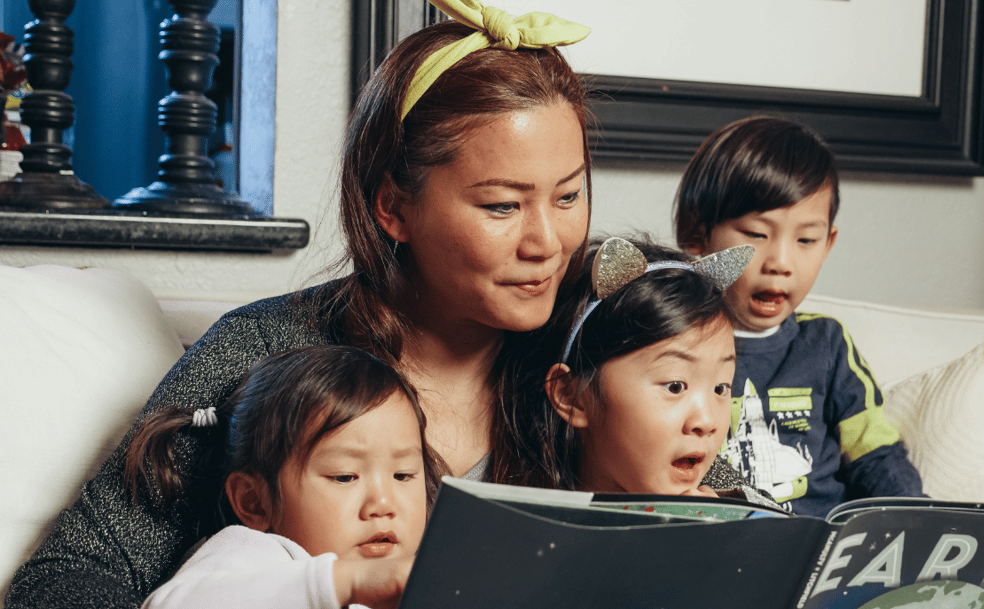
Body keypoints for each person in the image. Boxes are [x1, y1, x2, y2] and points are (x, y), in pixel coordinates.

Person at [5, 1, 593, 607]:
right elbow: (63, 580)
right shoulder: (264, 353)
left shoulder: (599, 353)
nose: (548, 243)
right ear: (392, 207)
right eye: (502, 206)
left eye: (569, 195)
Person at [673, 116, 924, 517]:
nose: (781, 263)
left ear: (828, 244)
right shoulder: (674, 342)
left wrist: (916, 517)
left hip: (822, 543)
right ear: (697, 234)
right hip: (726, 539)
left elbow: (874, 453)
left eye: (806, 240)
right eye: (756, 234)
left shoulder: (826, 343)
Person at [132, 346, 444, 609]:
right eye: (345, 477)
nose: (383, 504)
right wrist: (346, 582)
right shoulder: (260, 557)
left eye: (403, 475)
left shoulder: (421, 578)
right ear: (255, 502)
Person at [500, 236, 773, 504]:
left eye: (720, 388)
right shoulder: (520, 510)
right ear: (572, 396)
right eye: (675, 386)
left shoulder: (732, 501)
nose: (707, 422)